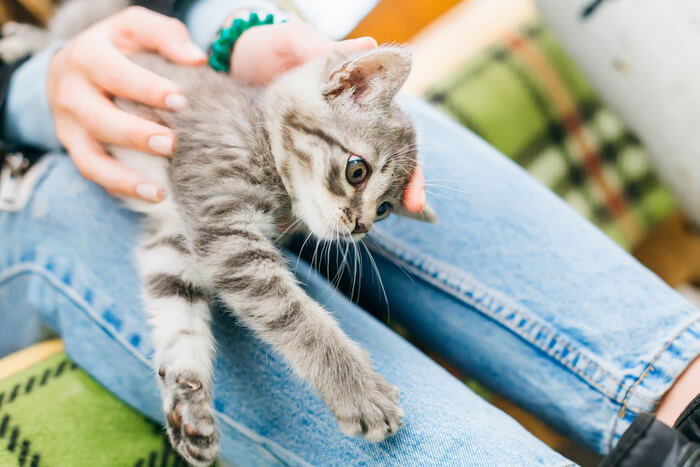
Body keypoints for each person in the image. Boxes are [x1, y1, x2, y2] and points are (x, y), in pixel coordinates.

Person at [1, 1, 698, 465]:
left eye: (378, 209)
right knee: (95, 201)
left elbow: (179, 13)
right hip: (22, 168)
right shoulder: (237, 144)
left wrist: (243, 34)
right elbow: (225, 245)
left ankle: (683, 402)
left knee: (378, 147)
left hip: (178, 79)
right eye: (365, 189)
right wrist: (32, 87)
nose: (362, 221)